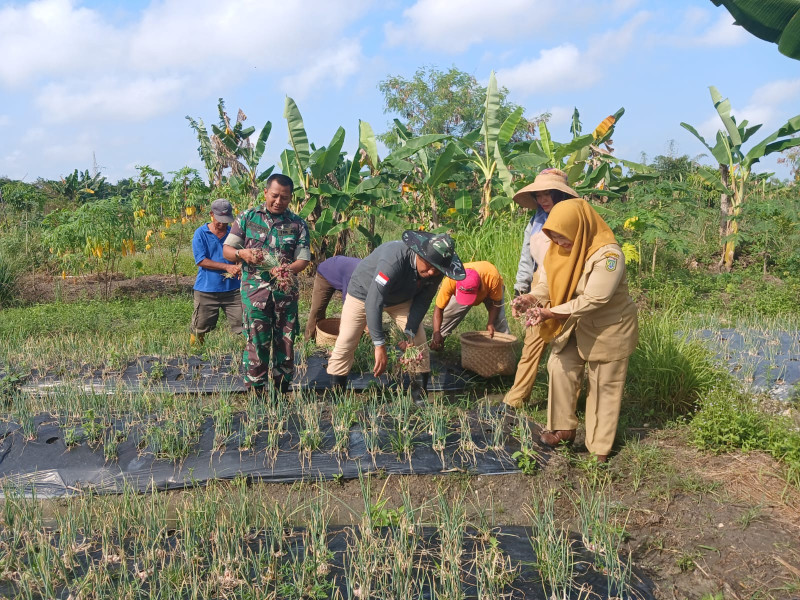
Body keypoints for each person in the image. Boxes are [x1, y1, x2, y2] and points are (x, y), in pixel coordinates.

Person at [517, 198, 638, 462]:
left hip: (608, 329)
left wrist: (549, 312)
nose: (560, 244)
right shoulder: (559, 250)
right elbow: (547, 285)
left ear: (579, 229)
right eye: (554, 237)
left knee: (603, 386)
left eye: (564, 238)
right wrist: (531, 299)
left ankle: (598, 449)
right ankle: (564, 429)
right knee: (559, 366)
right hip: (574, 323)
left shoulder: (609, 256)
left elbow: (596, 298)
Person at [326, 231, 465, 396]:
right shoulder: (394, 258)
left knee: (419, 341)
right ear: (419, 254)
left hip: (400, 299)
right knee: (346, 340)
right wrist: (379, 344)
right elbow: (374, 300)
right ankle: (336, 394)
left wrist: (409, 331)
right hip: (363, 294)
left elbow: (423, 301)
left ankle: (418, 394)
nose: (431, 273)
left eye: (437, 270)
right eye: (429, 267)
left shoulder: (435, 272)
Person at [222, 174, 311, 396]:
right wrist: (242, 253)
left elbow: (303, 259)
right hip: (255, 294)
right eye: (275, 196)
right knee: (257, 342)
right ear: (265, 193)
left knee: (286, 343)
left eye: (285, 197)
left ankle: (281, 390)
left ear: (291, 198)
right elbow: (227, 250)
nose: (279, 201)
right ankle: (257, 392)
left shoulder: (297, 223)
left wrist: (286, 270)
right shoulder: (247, 218)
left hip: (285, 294)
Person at [504, 168, 577, 408]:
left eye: (549, 194)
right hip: (539, 285)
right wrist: (521, 288)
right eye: (539, 195)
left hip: (567, 287)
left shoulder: (574, 219)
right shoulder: (535, 221)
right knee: (532, 342)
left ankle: (567, 406)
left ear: (560, 195)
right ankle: (515, 399)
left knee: (566, 347)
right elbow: (528, 256)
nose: (543, 200)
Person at [190, 198, 243, 346]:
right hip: (206, 289)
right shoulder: (201, 233)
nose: (222, 224)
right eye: (219, 220)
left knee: (244, 324)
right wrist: (227, 267)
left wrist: (239, 265)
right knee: (199, 327)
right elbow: (201, 260)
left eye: (226, 221)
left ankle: (247, 355)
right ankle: (195, 352)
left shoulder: (234, 234)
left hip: (233, 290)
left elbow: (240, 253)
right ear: (211, 215)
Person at [429, 261, 509, 351]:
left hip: (490, 289)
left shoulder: (492, 277)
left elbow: (496, 303)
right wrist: (437, 332)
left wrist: (490, 322)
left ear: (479, 288)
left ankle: (505, 351)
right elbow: (439, 308)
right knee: (448, 316)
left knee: (499, 320)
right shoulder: (451, 279)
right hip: (462, 288)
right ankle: (437, 344)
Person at [304, 255, 362, 341]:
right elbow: (348, 304)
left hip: (340, 272)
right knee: (317, 310)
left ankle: (359, 340)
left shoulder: (371, 275)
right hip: (325, 273)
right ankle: (308, 341)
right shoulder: (354, 275)